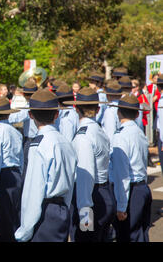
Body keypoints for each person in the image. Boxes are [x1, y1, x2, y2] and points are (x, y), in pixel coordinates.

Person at [15, 89, 77, 242]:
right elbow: (70, 181)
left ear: (30, 115)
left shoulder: (38, 145)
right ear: (56, 114)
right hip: (61, 209)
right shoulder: (66, 143)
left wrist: (24, 231)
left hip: (45, 212)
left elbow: (33, 192)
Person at [64, 87, 115, 242]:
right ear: (98, 109)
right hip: (102, 193)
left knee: (85, 237)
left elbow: (85, 176)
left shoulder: (83, 136)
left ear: (76, 108)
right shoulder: (98, 130)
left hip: (91, 198)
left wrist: (84, 215)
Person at [109, 95, 152, 242]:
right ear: (137, 114)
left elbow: (122, 174)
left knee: (127, 236)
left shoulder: (121, 136)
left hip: (131, 191)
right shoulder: (139, 132)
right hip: (142, 188)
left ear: (118, 113)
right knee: (141, 234)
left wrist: (121, 205)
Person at [0, 96, 23, 242]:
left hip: (3, 177)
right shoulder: (16, 133)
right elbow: (21, 161)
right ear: (9, 114)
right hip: (15, 175)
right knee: (16, 219)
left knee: (3, 224)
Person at [8, 79, 38, 179]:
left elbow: (17, 117)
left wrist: (2, 116)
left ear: (25, 94)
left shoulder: (29, 106)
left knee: (26, 168)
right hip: (35, 138)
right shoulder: (35, 104)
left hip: (31, 140)